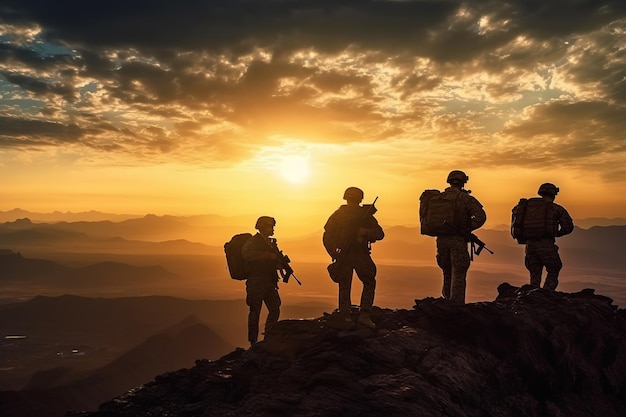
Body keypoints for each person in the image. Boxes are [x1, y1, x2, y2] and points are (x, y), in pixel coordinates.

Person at [323, 187, 384, 329]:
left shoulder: (339, 215)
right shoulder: (362, 215)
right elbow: (379, 234)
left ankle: (346, 316)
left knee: (346, 285)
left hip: (350, 255)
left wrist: (334, 253)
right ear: (360, 198)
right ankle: (363, 315)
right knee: (368, 282)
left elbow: (326, 236)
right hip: (355, 255)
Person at [434, 170, 486, 304]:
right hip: (457, 241)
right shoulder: (464, 198)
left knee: (447, 271)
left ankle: (446, 302)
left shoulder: (439, 198)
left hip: (441, 240)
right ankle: (456, 306)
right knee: (458, 272)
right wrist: (467, 229)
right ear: (463, 182)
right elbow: (481, 216)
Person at [523, 183, 574, 290]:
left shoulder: (527, 207)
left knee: (535, 272)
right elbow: (568, 227)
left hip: (529, 245)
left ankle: (533, 294)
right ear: (553, 193)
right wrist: (555, 233)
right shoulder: (555, 208)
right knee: (554, 268)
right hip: (546, 244)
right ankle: (547, 294)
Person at [241, 216, 283, 345]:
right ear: (263, 227)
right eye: (271, 226)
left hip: (269, 281)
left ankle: (268, 337)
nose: (273, 229)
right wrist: (268, 256)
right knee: (255, 312)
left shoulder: (270, 243)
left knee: (275, 308)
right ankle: (253, 341)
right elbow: (247, 254)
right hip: (256, 282)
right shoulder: (253, 242)